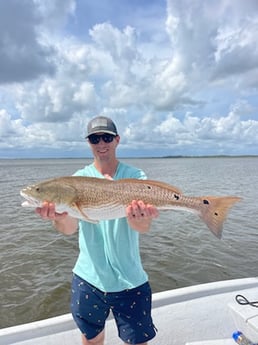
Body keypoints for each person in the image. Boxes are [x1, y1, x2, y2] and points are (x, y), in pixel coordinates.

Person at [35, 116, 159, 345]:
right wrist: (60, 218)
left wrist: (139, 217)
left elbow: (143, 226)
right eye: (94, 138)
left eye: (107, 137)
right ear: (88, 142)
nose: (101, 143)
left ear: (117, 140)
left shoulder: (136, 177)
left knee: (138, 342)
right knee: (91, 340)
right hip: (88, 278)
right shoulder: (77, 180)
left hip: (130, 278)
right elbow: (69, 229)